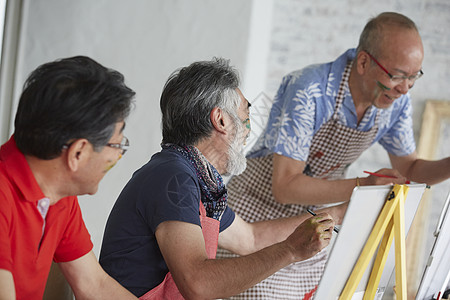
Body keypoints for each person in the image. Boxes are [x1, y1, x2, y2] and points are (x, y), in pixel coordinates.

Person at [216, 11, 450, 299]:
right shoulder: (310, 89)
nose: (404, 89)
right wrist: (363, 187)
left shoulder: (396, 102)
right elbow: (286, 186)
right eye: (397, 76)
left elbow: (411, 169)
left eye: (414, 78)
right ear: (363, 62)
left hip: (312, 220)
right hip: (256, 210)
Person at [99, 58, 345, 299]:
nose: (248, 129)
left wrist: (339, 214)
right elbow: (198, 284)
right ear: (221, 120)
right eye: (246, 115)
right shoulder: (173, 176)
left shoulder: (200, 180)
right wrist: (290, 250)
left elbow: (250, 238)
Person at [0, 56, 139, 299]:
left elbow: (94, 286)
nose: (118, 154)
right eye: (116, 144)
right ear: (78, 153)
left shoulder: (58, 196)